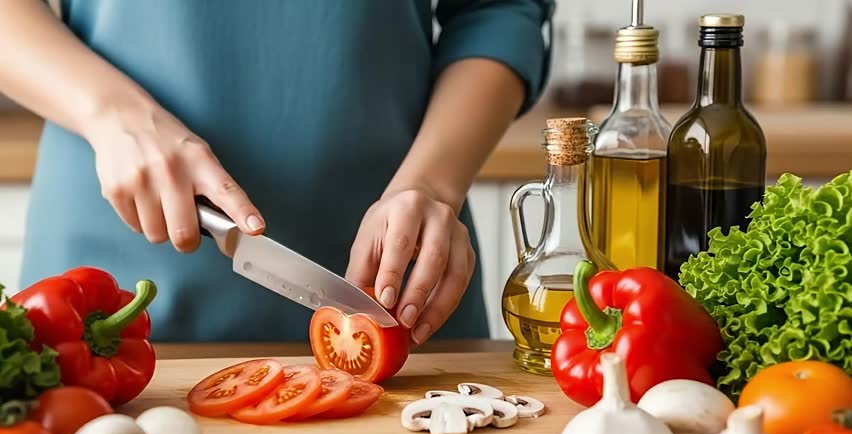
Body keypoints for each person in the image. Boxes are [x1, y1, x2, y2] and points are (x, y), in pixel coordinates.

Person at [0, 1, 554, 345]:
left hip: (398, 278)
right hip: (103, 295)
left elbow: (501, 8)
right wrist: (110, 113)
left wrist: (432, 184)